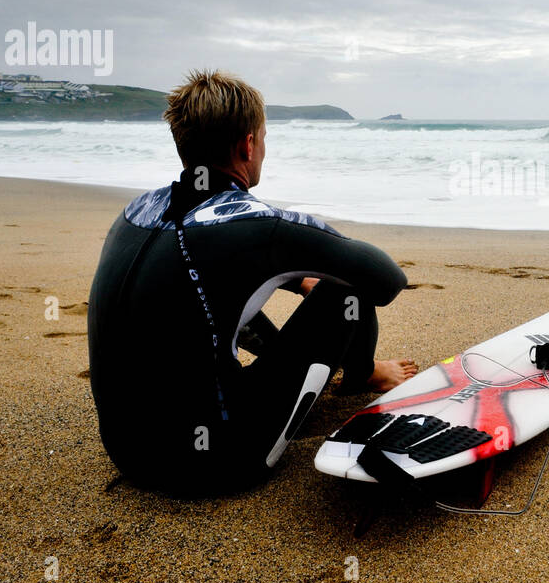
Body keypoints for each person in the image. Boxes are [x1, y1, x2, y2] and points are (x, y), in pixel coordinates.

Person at [87, 70, 417, 494]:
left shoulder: (137, 210)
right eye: (263, 136)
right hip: (222, 463)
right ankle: (363, 374)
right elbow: (386, 279)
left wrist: (294, 281)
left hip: (126, 451)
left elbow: (207, 285)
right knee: (347, 291)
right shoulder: (259, 223)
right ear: (248, 144)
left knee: (197, 294)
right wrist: (301, 265)